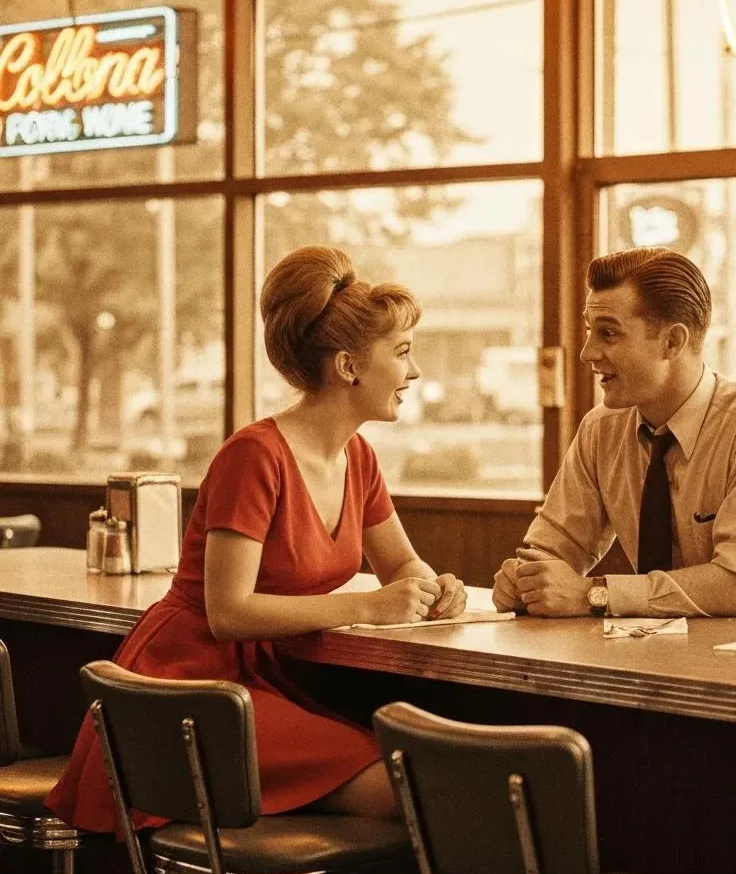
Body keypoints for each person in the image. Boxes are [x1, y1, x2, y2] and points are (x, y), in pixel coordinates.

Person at [47, 244, 466, 830]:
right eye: (402, 353)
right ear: (348, 366)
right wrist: (369, 604)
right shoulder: (255, 454)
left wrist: (432, 585)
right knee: (414, 787)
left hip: (263, 681)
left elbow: (402, 564)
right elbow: (228, 611)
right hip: (194, 686)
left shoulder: (359, 457)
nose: (415, 372)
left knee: (422, 774)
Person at [492, 246, 736, 620]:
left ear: (672, 342)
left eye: (608, 334)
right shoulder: (600, 429)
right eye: (590, 332)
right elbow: (552, 552)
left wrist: (594, 594)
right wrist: (525, 580)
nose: (587, 353)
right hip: (657, 644)